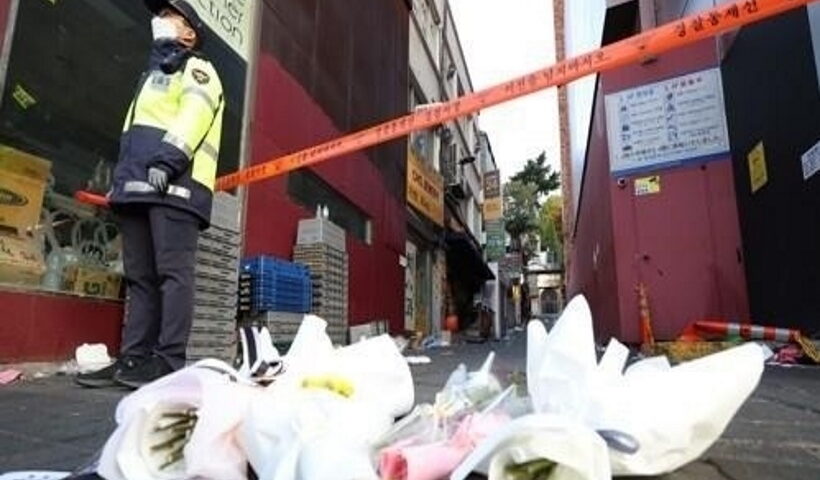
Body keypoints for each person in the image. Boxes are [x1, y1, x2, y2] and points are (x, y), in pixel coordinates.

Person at [77, 0, 224, 389]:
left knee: (173, 274)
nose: (159, 21)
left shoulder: (196, 68)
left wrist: (168, 159)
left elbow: (195, 114)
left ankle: (168, 361)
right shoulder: (152, 73)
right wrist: (121, 183)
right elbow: (135, 133)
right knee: (140, 278)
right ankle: (134, 358)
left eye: (169, 16)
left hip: (174, 187)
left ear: (189, 33)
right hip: (138, 190)